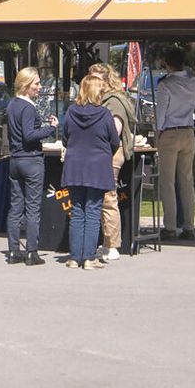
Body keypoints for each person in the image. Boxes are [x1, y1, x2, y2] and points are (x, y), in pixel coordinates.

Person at [62, 73, 120, 270]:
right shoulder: (104, 114)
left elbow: (65, 138)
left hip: (74, 167)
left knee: (77, 212)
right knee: (93, 212)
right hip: (97, 167)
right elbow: (115, 141)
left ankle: (74, 257)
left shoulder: (71, 111)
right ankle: (88, 258)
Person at [5, 67, 57, 266]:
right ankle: (32, 252)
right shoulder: (28, 107)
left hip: (15, 159)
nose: (39, 87)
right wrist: (50, 128)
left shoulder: (12, 105)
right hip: (31, 159)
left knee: (15, 206)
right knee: (33, 207)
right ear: (26, 86)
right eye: (36, 83)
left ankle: (13, 251)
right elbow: (29, 135)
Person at [91, 62, 136, 261]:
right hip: (106, 153)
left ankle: (112, 245)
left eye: (95, 79)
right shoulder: (109, 99)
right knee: (105, 198)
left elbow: (113, 132)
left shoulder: (113, 101)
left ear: (106, 80)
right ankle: (108, 243)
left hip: (111, 154)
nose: (91, 82)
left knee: (108, 198)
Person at [155, 46, 195, 239]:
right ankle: (189, 225)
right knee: (187, 181)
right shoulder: (194, 81)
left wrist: (157, 134)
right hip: (188, 131)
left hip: (170, 132)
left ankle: (171, 226)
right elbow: (191, 74)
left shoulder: (166, 84)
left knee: (168, 182)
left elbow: (161, 114)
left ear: (167, 64)